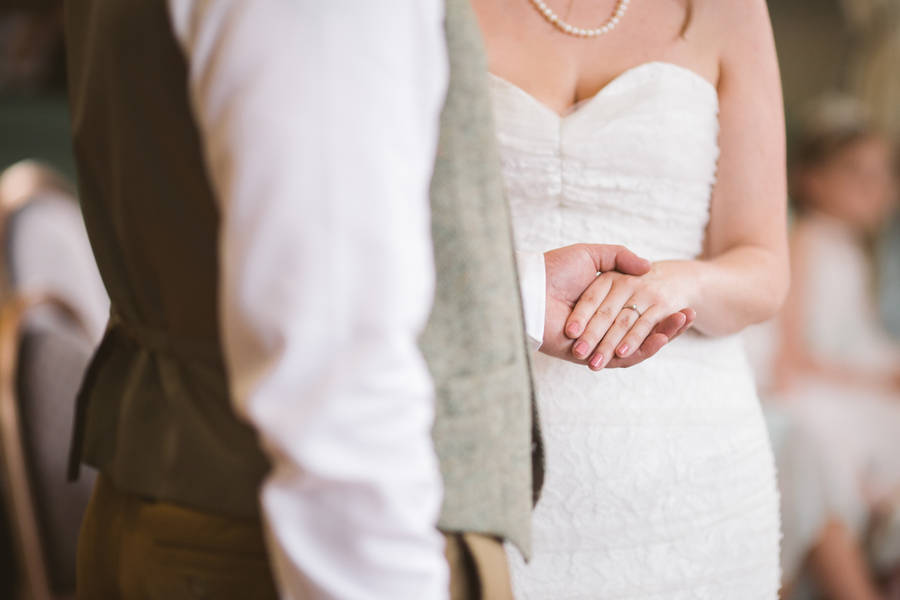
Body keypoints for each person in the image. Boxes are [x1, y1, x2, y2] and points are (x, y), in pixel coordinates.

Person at [63, 2, 691, 598]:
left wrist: (516, 294)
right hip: (278, 542)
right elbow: (330, 348)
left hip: (172, 498)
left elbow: (277, 243)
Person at [469, 0, 790, 597]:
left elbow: (764, 266)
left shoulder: (729, 12)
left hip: (691, 464)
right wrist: (518, 284)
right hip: (479, 446)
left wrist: (675, 283)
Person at [771, 96, 900, 598]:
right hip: (810, 390)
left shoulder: (854, 251)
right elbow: (792, 354)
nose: (874, 187)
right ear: (812, 178)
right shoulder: (806, 240)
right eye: (854, 171)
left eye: (882, 173)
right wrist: (877, 380)